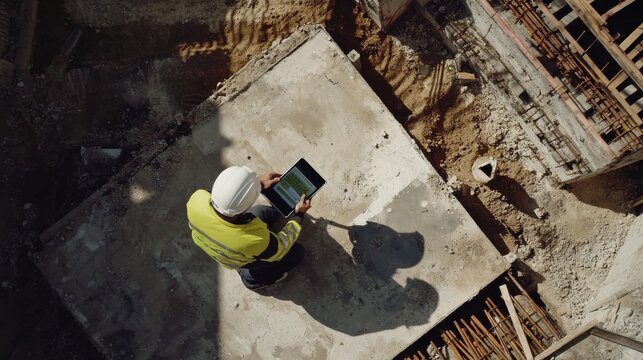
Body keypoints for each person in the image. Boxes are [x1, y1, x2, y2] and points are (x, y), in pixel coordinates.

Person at [186, 166, 312, 290]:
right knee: (296, 253)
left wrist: (256, 185)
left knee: (260, 212)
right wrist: (298, 216)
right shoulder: (253, 240)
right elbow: (280, 248)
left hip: (224, 246)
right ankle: (251, 280)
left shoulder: (197, 198)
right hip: (240, 258)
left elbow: (227, 196)